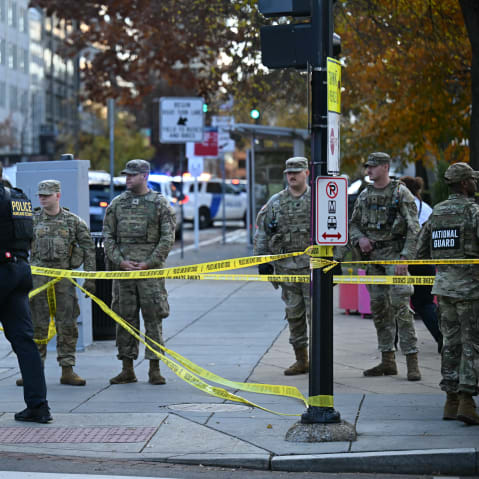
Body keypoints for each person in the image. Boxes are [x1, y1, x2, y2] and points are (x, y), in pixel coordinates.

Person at [103, 159, 176, 385]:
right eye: (126, 175)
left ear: (144, 176)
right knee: (125, 319)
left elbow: (167, 238)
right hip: (124, 273)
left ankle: (154, 368)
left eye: (132, 175)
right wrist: (120, 261)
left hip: (150, 274)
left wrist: (150, 262)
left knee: (153, 319)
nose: (127, 179)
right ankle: (127, 368)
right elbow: (108, 237)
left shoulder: (160, 204)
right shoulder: (116, 205)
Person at [349, 152, 422, 381]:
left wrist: (404, 258)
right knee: (380, 310)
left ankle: (412, 361)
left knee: (402, 309)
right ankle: (387, 360)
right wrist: (360, 238)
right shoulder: (364, 195)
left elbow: (414, 228)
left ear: (385, 167)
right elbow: (353, 225)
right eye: (367, 166)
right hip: (374, 262)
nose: (368, 170)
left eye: (373, 166)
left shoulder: (401, 193)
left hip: (395, 259)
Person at [417, 162, 479, 425]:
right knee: (472, 345)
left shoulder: (437, 213)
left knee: (449, 344)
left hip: (443, 289)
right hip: (471, 290)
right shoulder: (474, 211)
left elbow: (420, 252)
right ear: (465, 183)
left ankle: (450, 401)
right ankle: (466, 399)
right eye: (473, 180)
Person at [25, 179, 95, 387]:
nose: (43, 198)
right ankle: (35, 371)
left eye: (47, 195)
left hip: (63, 280)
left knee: (67, 325)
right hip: (37, 282)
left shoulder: (73, 221)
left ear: (58, 195)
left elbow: (88, 248)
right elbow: (19, 246)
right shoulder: (32, 220)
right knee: (37, 326)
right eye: (40, 195)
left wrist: (90, 278)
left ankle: (68, 369)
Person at [0, 167, 52, 422]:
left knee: (23, 341)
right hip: (20, 271)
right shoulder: (18, 197)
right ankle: (38, 406)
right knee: (24, 341)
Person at [254, 157, 311, 376]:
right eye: (289, 172)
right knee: (294, 315)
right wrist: (262, 261)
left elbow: (334, 232)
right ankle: (301, 360)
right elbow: (263, 233)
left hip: (312, 270)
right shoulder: (276, 202)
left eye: (296, 171)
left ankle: (318, 359)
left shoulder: (317, 200)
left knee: (316, 317)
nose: (292, 175)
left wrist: (336, 261)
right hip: (287, 269)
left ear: (306, 173)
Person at [400, 176, 442, 352]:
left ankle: (392, 345)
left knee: (398, 303)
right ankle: (442, 338)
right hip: (426, 261)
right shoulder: (427, 208)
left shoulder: (405, 206)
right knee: (424, 303)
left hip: (407, 259)